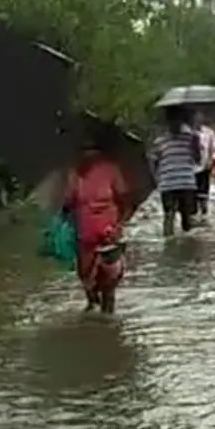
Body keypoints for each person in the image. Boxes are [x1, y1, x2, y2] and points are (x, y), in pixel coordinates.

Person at [64, 129, 133, 314]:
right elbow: (68, 201)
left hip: (105, 231)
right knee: (89, 276)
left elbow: (125, 200)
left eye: (92, 150)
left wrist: (120, 224)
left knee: (107, 278)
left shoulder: (108, 170)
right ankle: (95, 306)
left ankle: (103, 312)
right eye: (85, 150)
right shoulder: (77, 172)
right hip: (88, 232)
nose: (89, 154)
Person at [150, 106, 201, 237]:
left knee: (187, 219)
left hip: (186, 183)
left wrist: (196, 143)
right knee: (168, 216)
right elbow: (154, 162)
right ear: (168, 122)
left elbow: (197, 160)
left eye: (178, 120)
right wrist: (156, 180)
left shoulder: (190, 138)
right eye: (172, 120)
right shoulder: (160, 141)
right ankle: (168, 244)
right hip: (167, 184)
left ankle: (187, 246)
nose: (175, 123)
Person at [191, 110, 215, 217]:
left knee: (203, 196)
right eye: (196, 116)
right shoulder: (187, 133)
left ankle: (204, 216)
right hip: (189, 170)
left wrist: (212, 160)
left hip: (204, 168)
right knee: (191, 197)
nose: (198, 119)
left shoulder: (209, 132)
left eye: (200, 116)